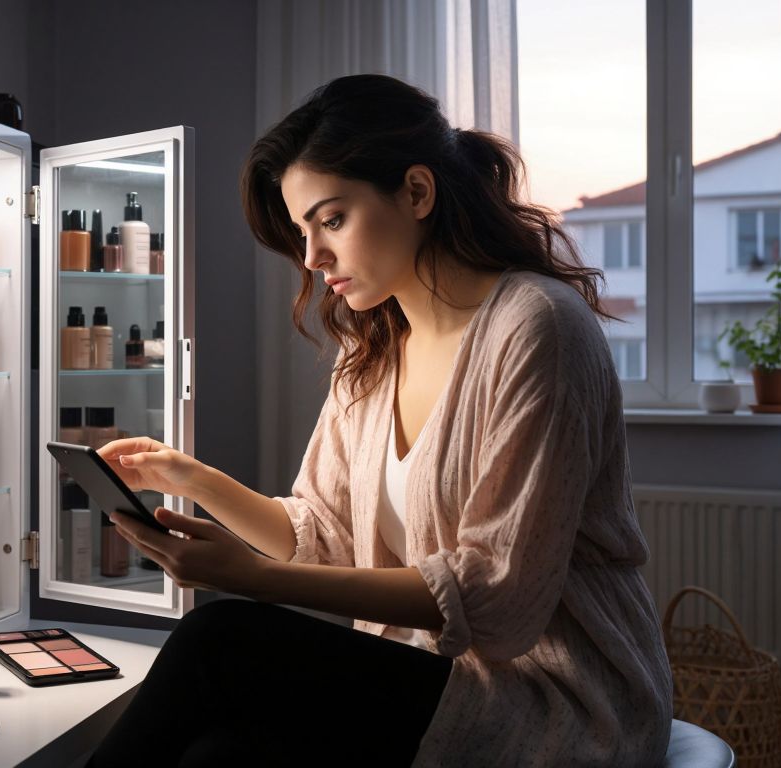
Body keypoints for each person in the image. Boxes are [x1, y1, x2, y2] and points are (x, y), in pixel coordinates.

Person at [87, 74, 672, 767]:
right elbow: (320, 535)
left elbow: (498, 597)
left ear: (417, 192)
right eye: (304, 230)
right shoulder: (374, 353)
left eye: (331, 220)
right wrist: (189, 477)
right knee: (217, 755)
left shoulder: (537, 329)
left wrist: (245, 577)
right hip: (427, 679)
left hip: (558, 702)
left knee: (219, 642)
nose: (311, 257)